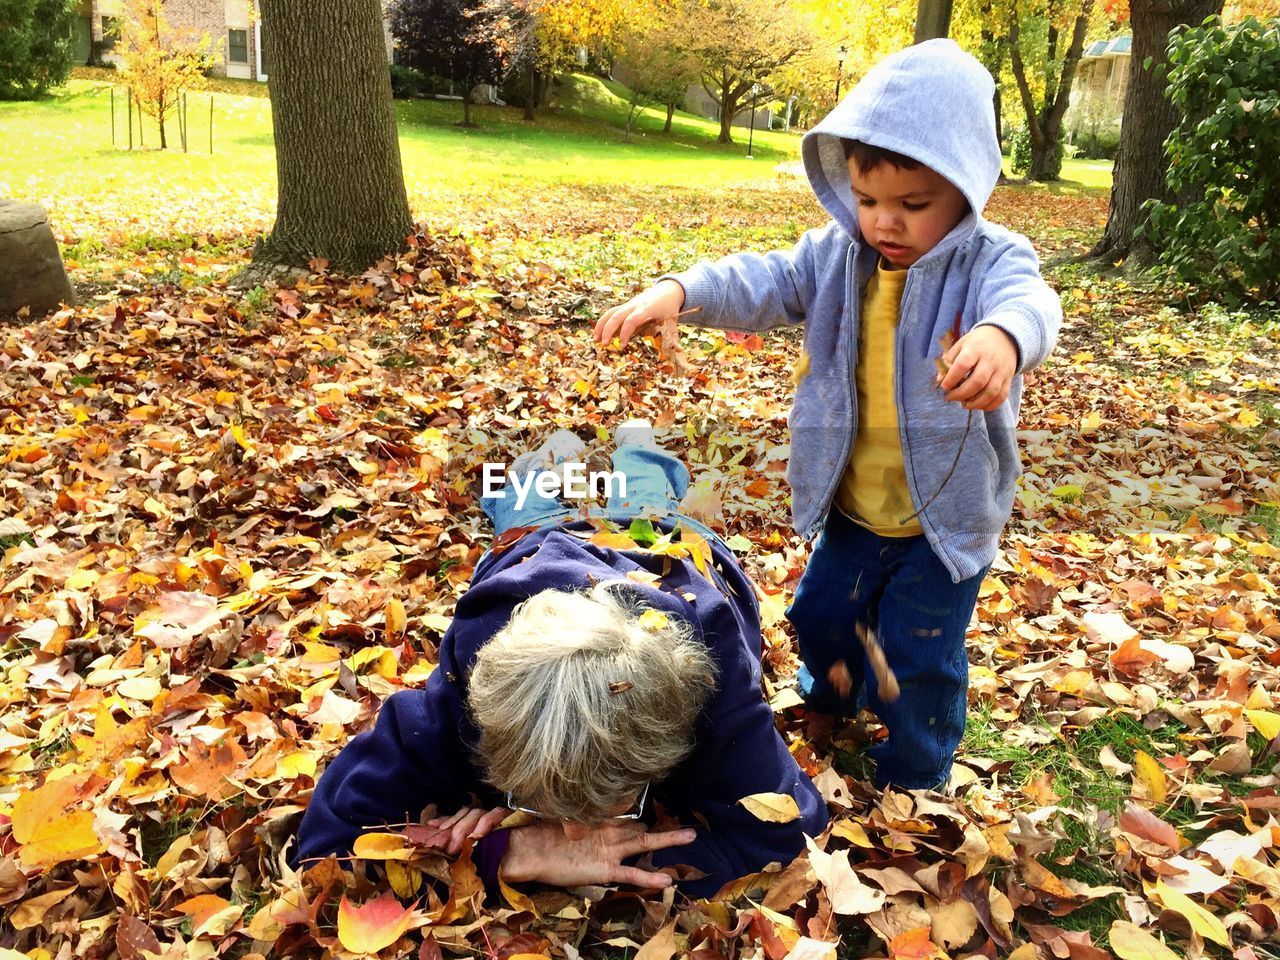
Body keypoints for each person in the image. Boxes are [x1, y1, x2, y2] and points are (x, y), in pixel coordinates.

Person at [594, 40, 1062, 791]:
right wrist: (680, 291)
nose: (886, 222)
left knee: (920, 654)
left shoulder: (991, 261)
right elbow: (765, 277)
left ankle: (917, 769)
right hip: (853, 506)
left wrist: (1002, 337)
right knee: (819, 618)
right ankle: (833, 697)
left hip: (943, 520)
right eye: (869, 199)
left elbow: (1034, 303)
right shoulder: (838, 256)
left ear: (968, 189)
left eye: (914, 206)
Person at [293, 423, 827, 897]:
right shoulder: (469, 681)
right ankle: (557, 451)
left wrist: (610, 865)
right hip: (538, 543)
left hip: (663, 536)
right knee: (524, 493)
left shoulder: (716, 680)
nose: (573, 832)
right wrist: (513, 855)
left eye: (604, 803)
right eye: (541, 801)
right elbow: (326, 846)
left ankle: (637, 444)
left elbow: (788, 836)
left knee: (645, 485)